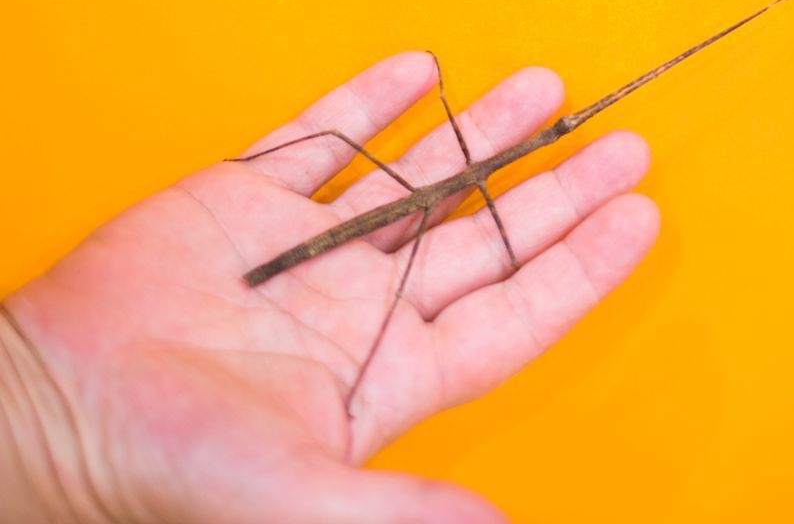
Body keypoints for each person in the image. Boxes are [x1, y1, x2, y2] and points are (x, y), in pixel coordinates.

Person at [0, 51, 658, 523]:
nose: (565, 129)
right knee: (375, 226)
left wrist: (38, 410)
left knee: (368, 186)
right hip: (348, 229)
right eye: (565, 130)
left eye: (562, 131)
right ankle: (358, 369)